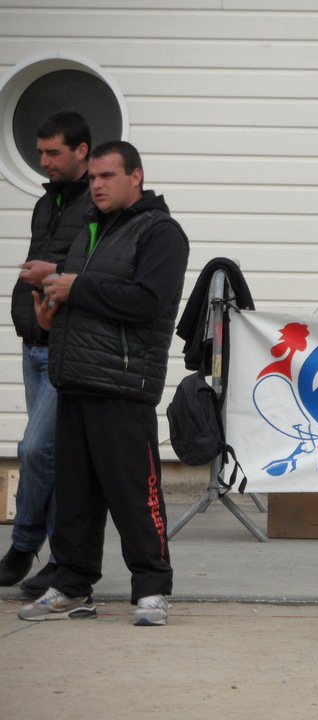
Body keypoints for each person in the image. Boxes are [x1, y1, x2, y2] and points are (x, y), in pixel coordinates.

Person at [18, 140, 189, 625]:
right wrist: (52, 319)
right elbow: (86, 304)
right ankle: (73, 587)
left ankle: (152, 590)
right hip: (73, 378)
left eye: (107, 176)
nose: (96, 185)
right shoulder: (89, 231)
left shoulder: (161, 232)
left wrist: (76, 286)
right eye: (92, 178)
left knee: (136, 492)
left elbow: (149, 302)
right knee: (75, 497)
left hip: (122, 384)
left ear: (135, 176)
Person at [0, 110, 92, 595]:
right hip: (33, 341)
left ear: (81, 150)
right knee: (51, 455)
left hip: (65, 344)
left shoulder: (96, 201)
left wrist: (53, 269)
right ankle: (59, 560)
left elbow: (96, 266)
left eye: (53, 152)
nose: (43, 161)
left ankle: (23, 544)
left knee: (35, 449)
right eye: (39, 152)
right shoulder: (47, 200)